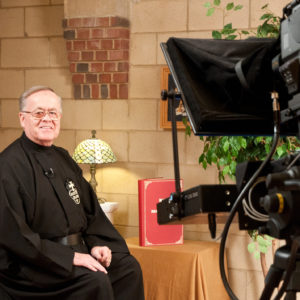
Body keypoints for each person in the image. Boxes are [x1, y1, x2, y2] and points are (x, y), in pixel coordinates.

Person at [0, 86, 145, 300]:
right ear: (23, 118)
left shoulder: (63, 158)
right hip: (33, 265)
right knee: (94, 279)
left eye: (53, 113)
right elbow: (16, 236)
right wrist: (70, 257)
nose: (47, 119)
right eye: (38, 113)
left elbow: (91, 213)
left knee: (127, 268)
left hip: (76, 253)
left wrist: (97, 245)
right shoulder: (8, 166)